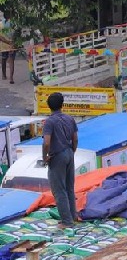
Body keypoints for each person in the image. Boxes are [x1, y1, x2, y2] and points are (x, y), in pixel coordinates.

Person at [42, 92, 78, 227]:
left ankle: (67, 221)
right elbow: (75, 138)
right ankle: (73, 216)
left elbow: (46, 142)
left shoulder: (49, 122)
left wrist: (45, 157)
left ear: (48, 106)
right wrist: (72, 151)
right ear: (62, 105)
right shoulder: (69, 118)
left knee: (59, 190)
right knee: (69, 187)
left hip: (57, 156)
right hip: (69, 152)